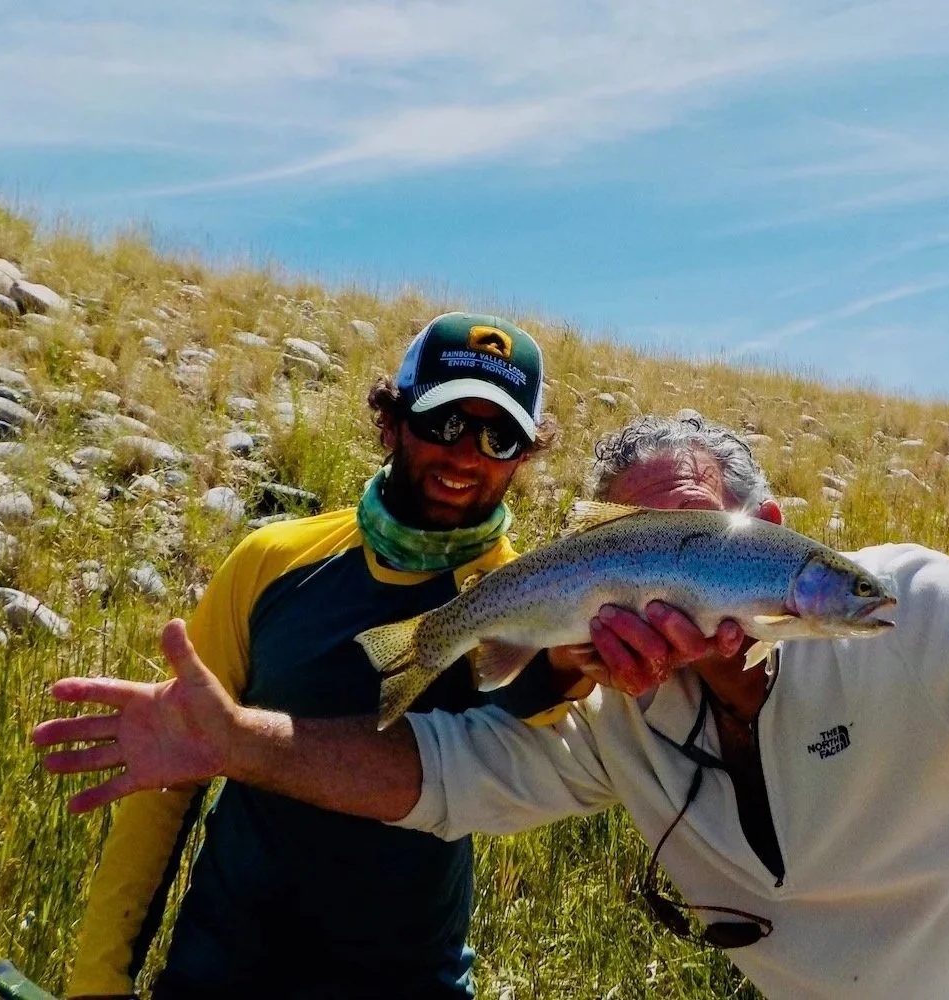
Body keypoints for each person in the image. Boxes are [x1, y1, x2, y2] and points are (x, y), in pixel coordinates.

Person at [38, 412, 949, 999]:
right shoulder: (603, 705)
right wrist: (237, 745)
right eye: (645, 543)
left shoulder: (919, 607)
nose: (689, 578)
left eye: (708, 538)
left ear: (772, 536)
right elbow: (435, 777)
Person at [63, 312, 576, 999]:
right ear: (392, 421)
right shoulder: (270, 561)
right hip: (223, 970)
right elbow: (168, 779)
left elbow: (555, 733)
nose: (466, 455)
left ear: (524, 455)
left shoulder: (544, 606)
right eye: (444, 422)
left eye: (499, 435)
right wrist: (97, 978)